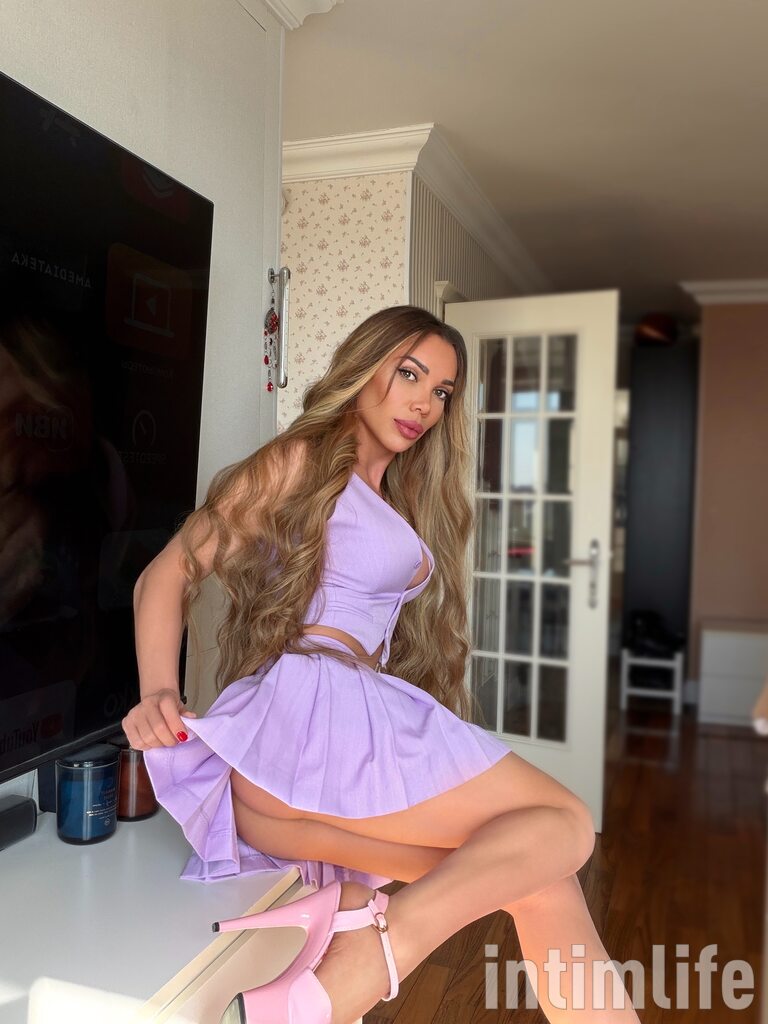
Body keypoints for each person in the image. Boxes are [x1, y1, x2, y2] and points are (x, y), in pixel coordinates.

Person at [123, 306, 640, 1024]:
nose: (425, 402)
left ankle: (338, 976)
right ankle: (371, 958)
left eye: (442, 391)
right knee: (566, 820)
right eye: (409, 374)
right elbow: (169, 571)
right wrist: (158, 690)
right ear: (363, 368)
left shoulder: (386, 493)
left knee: (543, 876)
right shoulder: (302, 460)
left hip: (297, 774)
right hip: (310, 726)